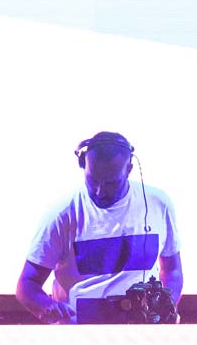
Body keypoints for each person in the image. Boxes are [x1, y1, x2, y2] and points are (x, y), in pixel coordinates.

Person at [16, 130, 183, 324]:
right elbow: (27, 284)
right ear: (83, 165)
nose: (99, 191)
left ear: (129, 169)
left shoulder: (158, 203)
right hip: (79, 333)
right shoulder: (62, 213)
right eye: (93, 180)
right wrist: (46, 307)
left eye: (111, 184)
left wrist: (166, 307)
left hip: (141, 330)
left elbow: (172, 271)